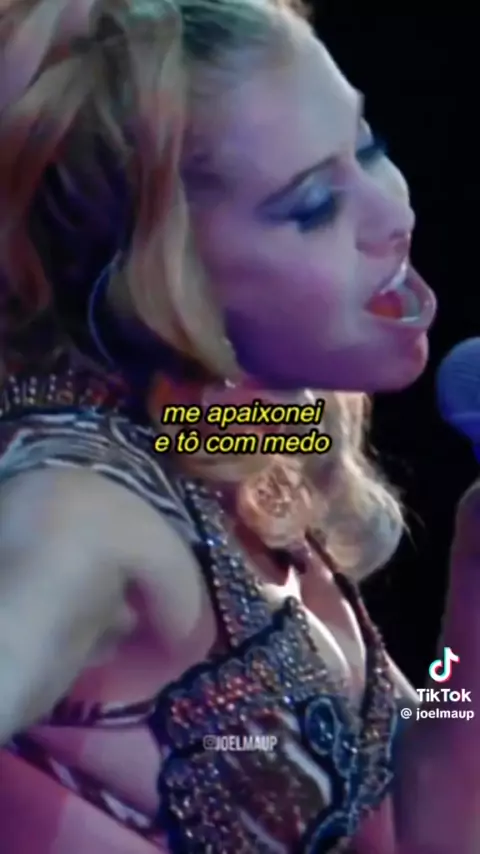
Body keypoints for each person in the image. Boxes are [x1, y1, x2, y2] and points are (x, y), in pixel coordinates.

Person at [0, 0, 478, 852]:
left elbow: (423, 826)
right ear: (159, 272)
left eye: (368, 146)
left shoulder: (216, 444)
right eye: (314, 206)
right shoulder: (81, 509)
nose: (393, 216)